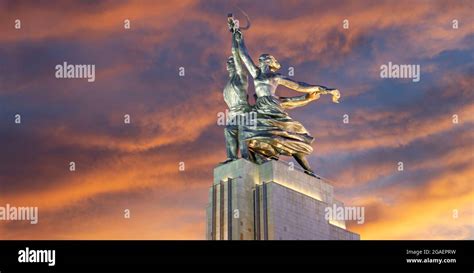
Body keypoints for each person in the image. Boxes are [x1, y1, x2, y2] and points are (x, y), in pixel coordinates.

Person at [232, 29, 340, 177]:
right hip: (260, 108)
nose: (261, 61)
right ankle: (256, 158)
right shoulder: (256, 73)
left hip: (273, 107)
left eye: (264, 59)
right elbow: (244, 57)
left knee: (286, 135)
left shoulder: (276, 77)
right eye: (260, 59)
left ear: (269, 63)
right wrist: (238, 38)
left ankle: (306, 168)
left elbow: (299, 86)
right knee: (249, 130)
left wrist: (327, 90)